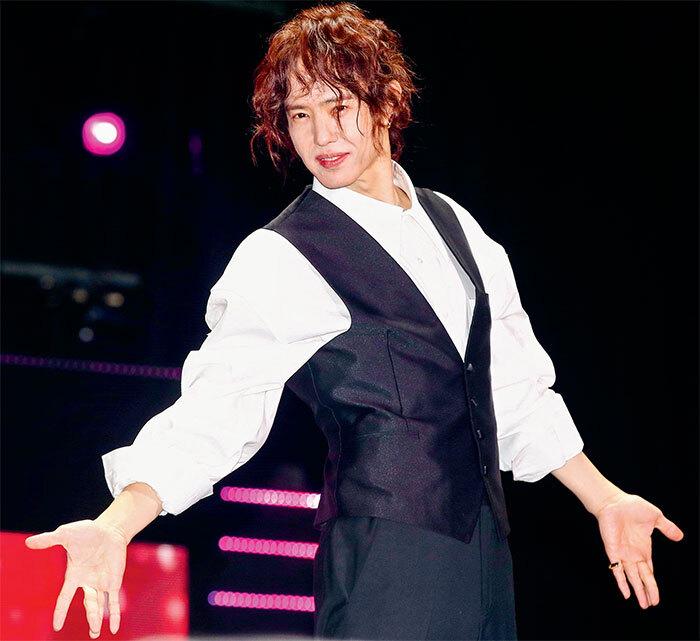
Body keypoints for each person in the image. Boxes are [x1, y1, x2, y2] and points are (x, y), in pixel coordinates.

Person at [25, 3, 685, 640]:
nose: (320, 135)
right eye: (300, 114)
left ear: (386, 100)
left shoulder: (457, 226)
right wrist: (115, 524)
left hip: (485, 558)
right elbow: (218, 409)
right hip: (385, 562)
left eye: (338, 106)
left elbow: (512, 392)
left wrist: (606, 498)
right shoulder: (284, 254)